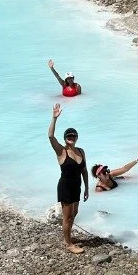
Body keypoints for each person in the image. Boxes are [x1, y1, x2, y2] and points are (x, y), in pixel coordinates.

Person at [49, 104, 89, 254]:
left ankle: (68, 235)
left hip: (77, 186)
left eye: (73, 136)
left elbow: (84, 170)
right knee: (68, 216)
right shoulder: (61, 151)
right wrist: (54, 118)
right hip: (65, 187)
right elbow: (51, 136)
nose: (71, 138)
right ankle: (68, 243)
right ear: (65, 139)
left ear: (77, 137)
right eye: (68, 136)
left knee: (74, 214)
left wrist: (86, 188)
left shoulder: (81, 151)